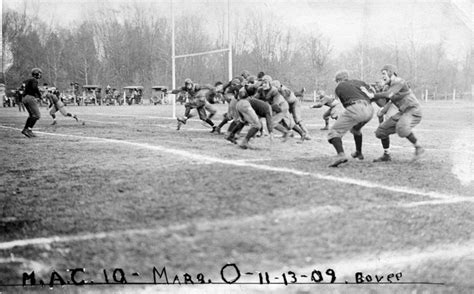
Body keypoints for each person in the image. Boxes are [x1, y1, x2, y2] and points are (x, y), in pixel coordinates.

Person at [360, 64, 424, 162]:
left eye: (384, 73)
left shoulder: (399, 81)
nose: (382, 76)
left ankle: (419, 147)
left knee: (401, 128)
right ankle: (386, 155)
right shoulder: (388, 87)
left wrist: (372, 95)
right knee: (380, 132)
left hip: (413, 110)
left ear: (390, 72)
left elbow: (388, 94)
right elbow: (384, 102)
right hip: (403, 112)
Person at [327, 70, 374, 167]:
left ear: (339, 80)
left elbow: (339, 103)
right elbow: (372, 94)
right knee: (355, 129)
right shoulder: (359, 82)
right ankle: (358, 152)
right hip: (370, 109)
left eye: (337, 81)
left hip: (356, 108)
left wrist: (327, 104)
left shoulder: (339, 87)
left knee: (334, 132)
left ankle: (341, 155)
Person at [21, 68, 43, 138]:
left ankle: (25, 129)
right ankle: (28, 130)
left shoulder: (28, 80)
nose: (40, 75)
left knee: (31, 115)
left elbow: (24, 87)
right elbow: (34, 88)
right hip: (30, 98)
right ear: (36, 74)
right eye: (39, 73)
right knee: (37, 115)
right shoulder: (34, 80)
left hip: (24, 98)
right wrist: (39, 95)